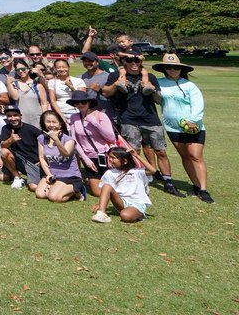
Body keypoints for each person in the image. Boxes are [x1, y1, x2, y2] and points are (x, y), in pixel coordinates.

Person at [102, 49, 185, 197]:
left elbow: (159, 101)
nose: (134, 63)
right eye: (129, 61)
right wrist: (118, 83)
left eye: (137, 61)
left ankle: (168, 182)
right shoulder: (116, 75)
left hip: (150, 119)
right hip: (128, 120)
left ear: (141, 62)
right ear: (124, 62)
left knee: (161, 151)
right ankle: (135, 180)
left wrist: (152, 89)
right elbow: (106, 92)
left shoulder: (150, 76)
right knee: (134, 152)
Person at [153, 53, 212, 203]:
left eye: (175, 68)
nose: (172, 70)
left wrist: (193, 120)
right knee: (185, 156)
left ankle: (204, 190)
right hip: (172, 127)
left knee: (195, 155)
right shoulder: (158, 83)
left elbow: (198, 103)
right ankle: (196, 185)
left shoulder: (189, 85)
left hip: (193, 126)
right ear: (164, 69)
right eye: (168, 67)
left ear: (181, 69)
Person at [91, 145, 156, 224]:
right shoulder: (109, 173)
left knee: (125, 216)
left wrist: (137, 156)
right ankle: (101, 214)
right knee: (106, 186)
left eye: (113, 158)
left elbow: (153, 170)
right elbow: (105, 191)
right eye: (109, 157)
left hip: (137, 203)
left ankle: (138, 213)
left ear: (125, 161)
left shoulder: (137, 172)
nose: (110, 160)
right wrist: (100, 204)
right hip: (121, 202)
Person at [34, 110, 83, 203]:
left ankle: (77, 189)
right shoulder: (41, 138)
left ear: (60, 124)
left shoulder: (69, 140)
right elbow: (42, 158)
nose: (51, 125)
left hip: (69, 175)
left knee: (54, 197)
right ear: (44, 124)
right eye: (48, 122)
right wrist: (48, 174)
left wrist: (56, 139)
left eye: (54, 122)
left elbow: (66, 153)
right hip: (53, 174)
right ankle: (56, 186)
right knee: (40, 194)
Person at [0, 105, 43, 190]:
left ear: (20, 116)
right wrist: (10, 140)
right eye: (9, 116)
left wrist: (41, 160)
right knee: (4, 151)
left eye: (15, 115)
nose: (13, 118)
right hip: (20, 161)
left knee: (34, 187)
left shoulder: (32, 129)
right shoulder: (6, 128)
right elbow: (2, 145)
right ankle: (17, 178)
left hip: (34, 163)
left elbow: (46, 145)